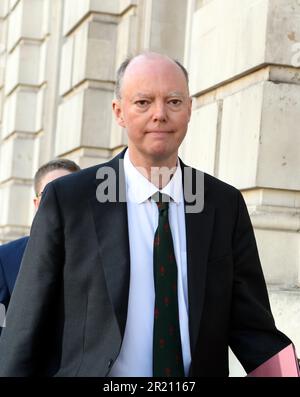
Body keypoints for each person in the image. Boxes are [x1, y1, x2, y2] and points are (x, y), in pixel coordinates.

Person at [0, 52, 292, 377]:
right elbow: (26, 327)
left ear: (190, 109)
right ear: (119, 112)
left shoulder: (223, 205)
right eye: (143, 102)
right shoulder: (70, 200)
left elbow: (254, 328)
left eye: (174, 101)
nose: (160, 114)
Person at [0, 159, 80, 331]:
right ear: (37, 204)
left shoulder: (102, 253)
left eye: (71, 193)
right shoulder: (6, 258)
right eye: (51, 194)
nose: (62, 202)